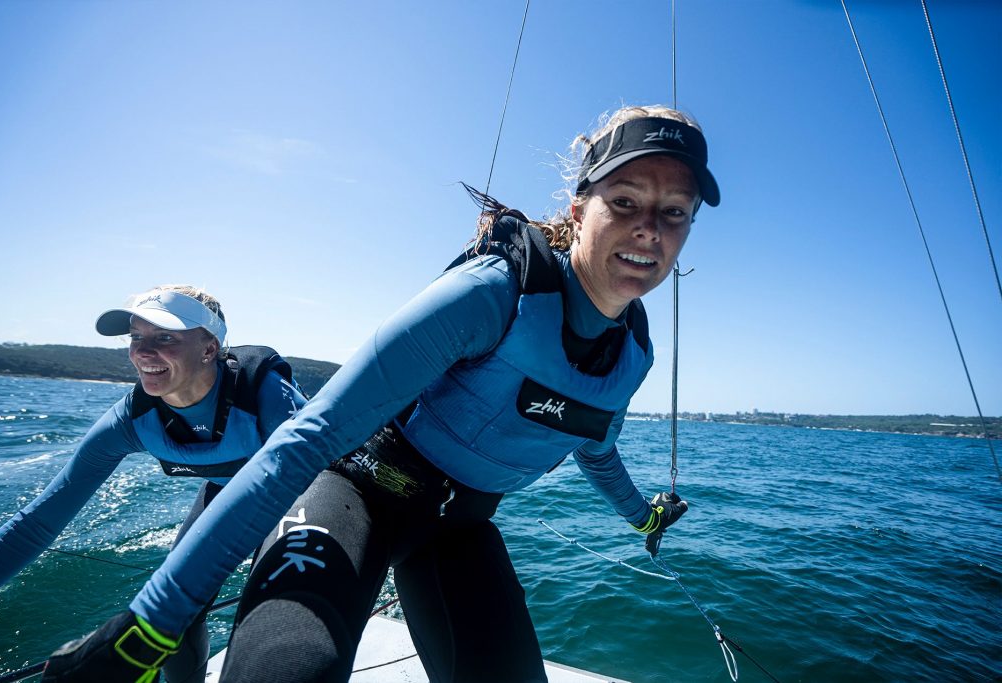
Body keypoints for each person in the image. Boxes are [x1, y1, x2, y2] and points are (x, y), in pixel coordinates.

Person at [42, 104, 720, 683]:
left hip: (458, 528)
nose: (649, 230)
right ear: (580, 208)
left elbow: (597, 450)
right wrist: (148, 627)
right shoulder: (492, 296)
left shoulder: (631, 355)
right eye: (625, 202)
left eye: (674, 213)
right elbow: (307, 439)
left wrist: (644, 519)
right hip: (353, 492)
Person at [0, 285, 308, 683]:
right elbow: (36, 524)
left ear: (208, 349)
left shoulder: (266, 396)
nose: (143, 352)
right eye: (137, 337)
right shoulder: (132, 420)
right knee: (176, 616)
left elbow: (323, 474)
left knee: (268, 610)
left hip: (302, 496)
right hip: (226, 491)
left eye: (165, 337)